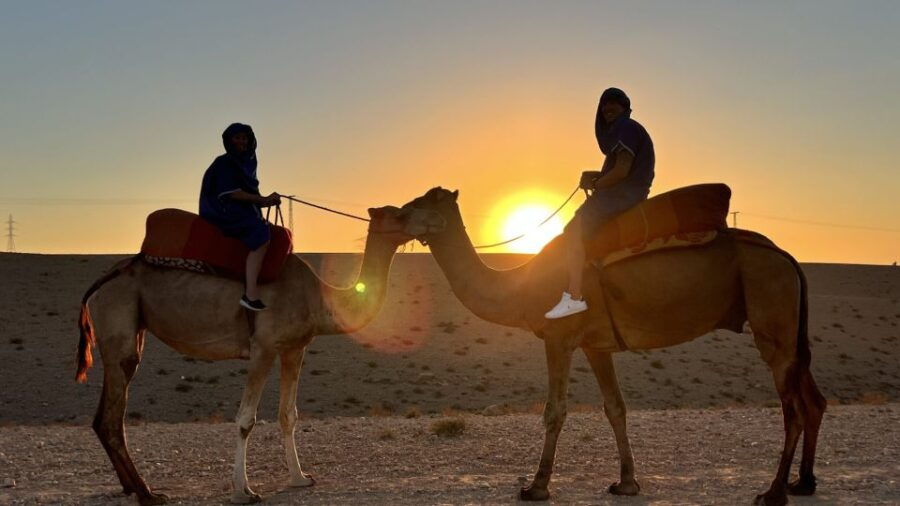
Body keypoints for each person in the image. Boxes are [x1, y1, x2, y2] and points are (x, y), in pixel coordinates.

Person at [544, 88, 655, 319]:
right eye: (604, 104)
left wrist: (597, 185)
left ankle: (574, 297)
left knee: (572, 231)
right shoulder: (626, 132)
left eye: (614, 103)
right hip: (625, 192)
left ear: (624, 107)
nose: (607, 108)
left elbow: (622, 171)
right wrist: (597, 178)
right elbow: (619, 169)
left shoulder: (626, 128)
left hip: (623, 194)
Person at [199, 123, 281, 311]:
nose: (241, 142)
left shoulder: (247, 164)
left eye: (244, 138)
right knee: (261, 234)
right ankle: (250, 294)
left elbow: (250, 194)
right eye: (237, 138)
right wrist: (263, 200)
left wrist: (266, 201)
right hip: (223, 211)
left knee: (273, 231)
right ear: (229, 141)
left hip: (241, 210)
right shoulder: (225, 162)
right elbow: (232, 193)